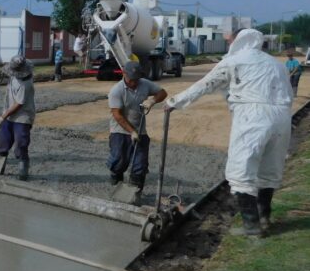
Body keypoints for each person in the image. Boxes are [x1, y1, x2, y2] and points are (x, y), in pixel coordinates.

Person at [165, 29, 292, 236]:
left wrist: (174, 102)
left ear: (238, 42)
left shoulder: (234, 61)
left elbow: (204, 85)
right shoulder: (277, 64)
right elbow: (288, 93)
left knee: (241, 170)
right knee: (269, 170)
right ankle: (265, 217)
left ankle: (252, 226)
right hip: (282, 116)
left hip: (252, 115)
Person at [106, 61, 168, 202]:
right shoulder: (116, 91)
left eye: (136, 79)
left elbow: (163, 92)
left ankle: (135, 193)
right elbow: (117, 115)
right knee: (119, 161)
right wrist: (131, 132)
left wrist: (152, 100)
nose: (134, 83)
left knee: (140, 164)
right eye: (131, 79)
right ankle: (116, 182)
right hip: (119, 130)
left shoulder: (144, 84)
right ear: (124, 74)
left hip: (140, 130)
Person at [0, 55, 36, 180]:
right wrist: (0, 73)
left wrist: (3, 116)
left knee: (20, 144)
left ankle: (23, 169)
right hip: (8, 113)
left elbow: (18, 104)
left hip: (22, 116)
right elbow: (7, 72)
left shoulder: (25, 83)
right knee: (3, 141)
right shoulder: (15, 73)